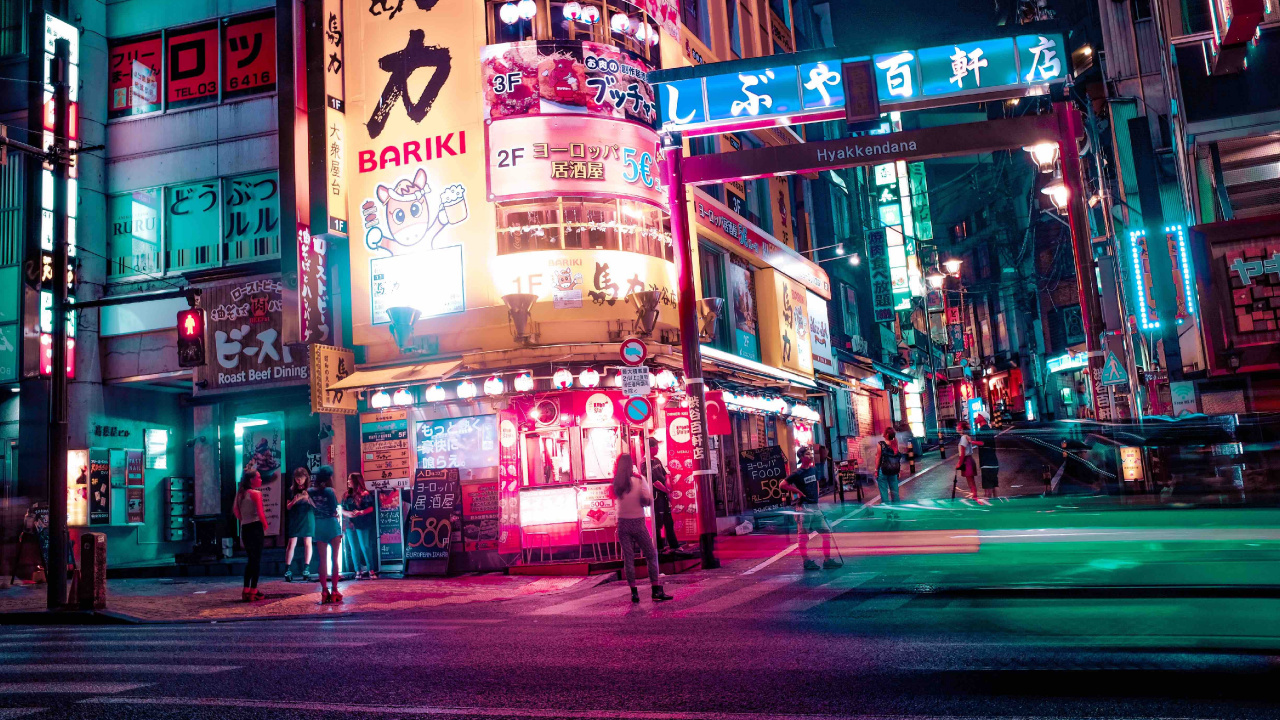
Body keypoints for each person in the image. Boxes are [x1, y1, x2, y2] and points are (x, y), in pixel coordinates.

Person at [611, 452, 672, 604]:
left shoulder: (616, 484)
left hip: (622, 524)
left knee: (629, 559)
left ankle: (634, 593)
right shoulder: (639, 480)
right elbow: (648, 501)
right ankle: (656, 590)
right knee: (651, 555)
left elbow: (614, 499)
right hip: (638, 523)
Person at [780, 447, 839, 570]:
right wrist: (798, 491)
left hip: (815, 507)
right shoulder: (797, 473)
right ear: (801, 458)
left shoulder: (813, 469)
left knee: (826, 532)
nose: (811, 455)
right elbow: (783, 485)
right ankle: (806, 561)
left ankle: (827, 560)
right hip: (804, 508)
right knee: (803, 536)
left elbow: (816, 482)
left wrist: (816, 498)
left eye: (811, 453)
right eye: (808, 454)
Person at [309, 465, 344, 604]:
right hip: (331, 524)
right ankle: (334, 590)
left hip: (318, 525)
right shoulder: (330, 491)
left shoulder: (310, 491)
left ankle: (324, 590)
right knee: (334, 559)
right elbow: (334, 508)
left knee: (322, 560)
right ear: (329, 477)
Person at [232, 469, 266, 602]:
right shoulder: (256, 494)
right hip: (256, 527)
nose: (260, 480)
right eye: (258, 477)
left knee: (250, 559)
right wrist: (265, 525)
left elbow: (236, 512)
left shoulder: (240, 494)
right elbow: (260, 513)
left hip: (245, 528)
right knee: (256, 560)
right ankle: (253, 590)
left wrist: (244, 519)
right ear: (252, 480)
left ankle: (246, 589)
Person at [643, 437, 680, 554]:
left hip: (663, 495)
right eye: (656, 447)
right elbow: (654, 482)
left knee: (669, 520)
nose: (658, 449)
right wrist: (666, 490)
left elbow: (666, 474)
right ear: (650, 448)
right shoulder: (645, 464)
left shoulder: (657, 460)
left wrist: (668, 484)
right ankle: (659, 548)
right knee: (658, 522)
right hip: (656, 496)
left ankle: (674, 546)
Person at [342, 473, 378, 579]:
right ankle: (358, 571)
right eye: (348, 480)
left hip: (362, 523)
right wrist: (348, 513)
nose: (348, 481)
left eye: (350, 480)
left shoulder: (365, 494)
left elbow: (371, 508)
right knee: (354, 548)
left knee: (365, 546)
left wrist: (361, 512)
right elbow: (342, 509)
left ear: (356, 481)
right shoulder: (346, 495)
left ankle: (371, 570)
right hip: (350, 523)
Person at [975, 415, 1001, 498]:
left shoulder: (982, 430)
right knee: (993, 487)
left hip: (986, 463)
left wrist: (970, 441)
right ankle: (997, 507)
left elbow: (982, 442)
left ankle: (988, 508)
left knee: (987, 490)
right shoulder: (988, 429)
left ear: (983, 418)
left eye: (978, 416)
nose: (976, 417)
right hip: (993, 462)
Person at [876, 427, 902, 505]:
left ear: (886, 434)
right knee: (894, 489)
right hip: (894, 470)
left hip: (883, 470)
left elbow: (878, 457)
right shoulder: (895, 443)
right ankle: (897, 507)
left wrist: (876, 470)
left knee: (883, 490)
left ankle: (886, 508)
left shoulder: (880, 444)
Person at [956, 420, 980, 500]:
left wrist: (959, 463)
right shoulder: (966, 436)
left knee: (970, 481)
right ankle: (974, 496)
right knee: (971, 481)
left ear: (962, 428)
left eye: (958, 426)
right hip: (970, 460)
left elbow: (962, 453)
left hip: (967, 461)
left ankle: (974, 497)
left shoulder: (963, 438)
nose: (956, 427)